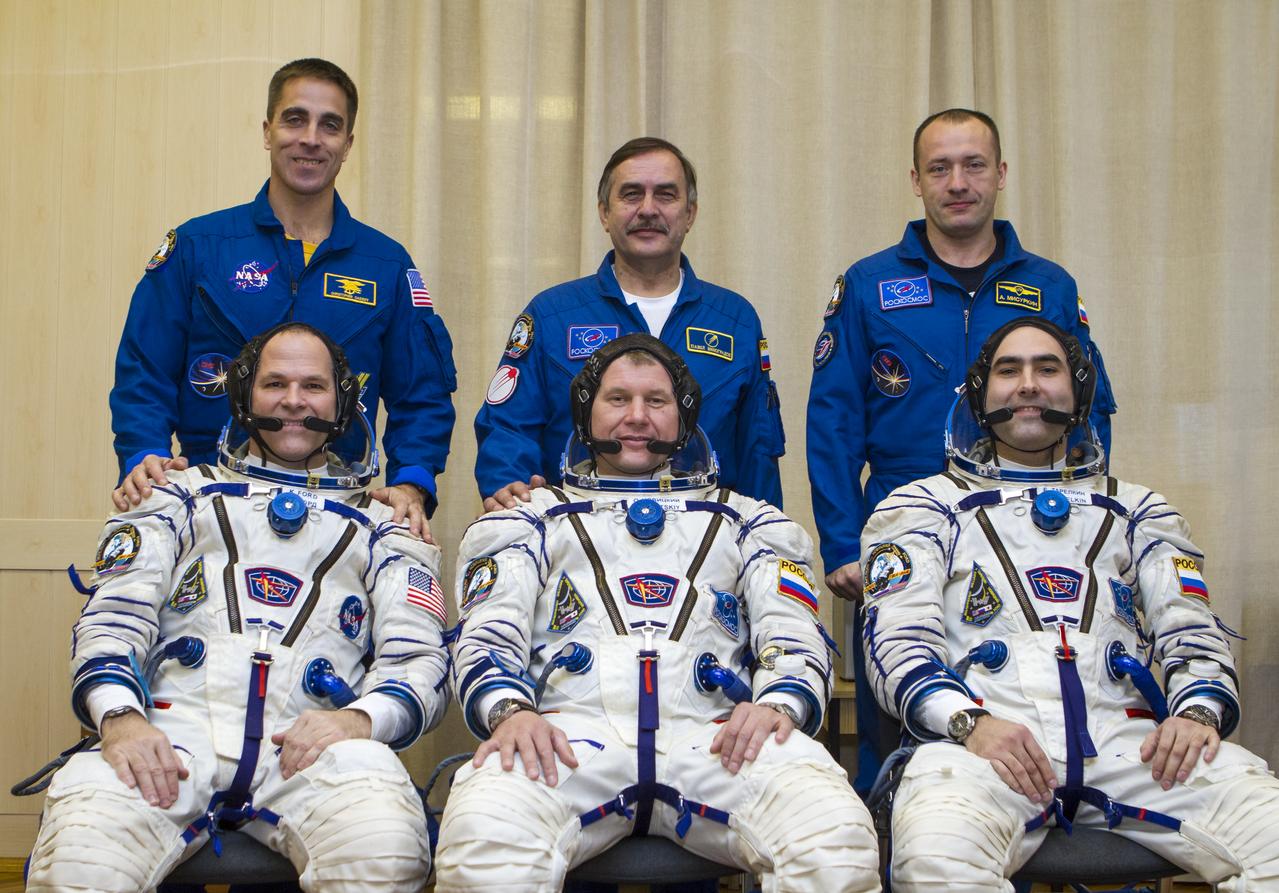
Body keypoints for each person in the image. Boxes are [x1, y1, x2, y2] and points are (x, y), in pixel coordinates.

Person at [436, 334, 879, 893]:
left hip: (719, 740)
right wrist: (509, 712)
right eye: (617, 399)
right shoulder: (527, 520)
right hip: (563, 740)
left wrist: (777, 704)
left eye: (657, 401)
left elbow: (793, 634)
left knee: (835, 840)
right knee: (482, 846)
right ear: (586, 411)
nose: (637, 417)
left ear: (685, 415)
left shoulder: (750, 522)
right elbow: (487, 636)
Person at [27, 323, 450, 893]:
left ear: (344, 401)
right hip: (168, 734)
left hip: (316, 743)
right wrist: (120, 718)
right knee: (82, 858)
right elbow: (112, 621)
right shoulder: (172, 496)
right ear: (244, 396)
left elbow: (418, 660)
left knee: (386, 851)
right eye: (275, 383)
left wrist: (358, 720)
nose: (294, 401)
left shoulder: (389, 526)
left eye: (313, 386)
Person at [860, 317, 1279, 890]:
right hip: (984, 744)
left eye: (1047, 368)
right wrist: (967, 722)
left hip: (1133, 746)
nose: (1028, 384)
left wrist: (1197, 713)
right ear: (981, 394)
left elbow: (1193, 631)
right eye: (1009, 371)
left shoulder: (1138, 510)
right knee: (937, 863)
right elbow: (897, 644)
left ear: (1079, 391)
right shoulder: (921, 508)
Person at [807, 108, 1117, 792]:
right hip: (898, 538)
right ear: (915, 180)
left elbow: (1091, 414)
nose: (957, 182)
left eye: (973, 165)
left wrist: (1085, 532)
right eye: (939, 168)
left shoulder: (1049, 286)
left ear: (1000, 175)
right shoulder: (866, 284)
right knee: (897, 722)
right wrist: (839, 544)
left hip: (1029, 538)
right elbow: (830, 421)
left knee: (1047, 706)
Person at [110, 57, 456, 540]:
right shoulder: (199, 246)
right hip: (209, 505)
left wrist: (412, 482)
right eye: (295, 119)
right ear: (268, 130)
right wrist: (142, 451)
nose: (311, 137)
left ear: (347, 145)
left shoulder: (386, 265)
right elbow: (144, 369)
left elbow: (421, 395)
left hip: (338, 511)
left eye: (329, 125)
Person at [475, 137, 785, 513]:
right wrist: (509, 487)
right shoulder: (552, 315)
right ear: (604, 213)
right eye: (632, 195)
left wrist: (765, 536)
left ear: (690, 213)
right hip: (576, 541)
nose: (648, 210)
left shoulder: (735, 321)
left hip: (706, 548)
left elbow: (758, 451)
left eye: (666, 195)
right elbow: (508, 427)